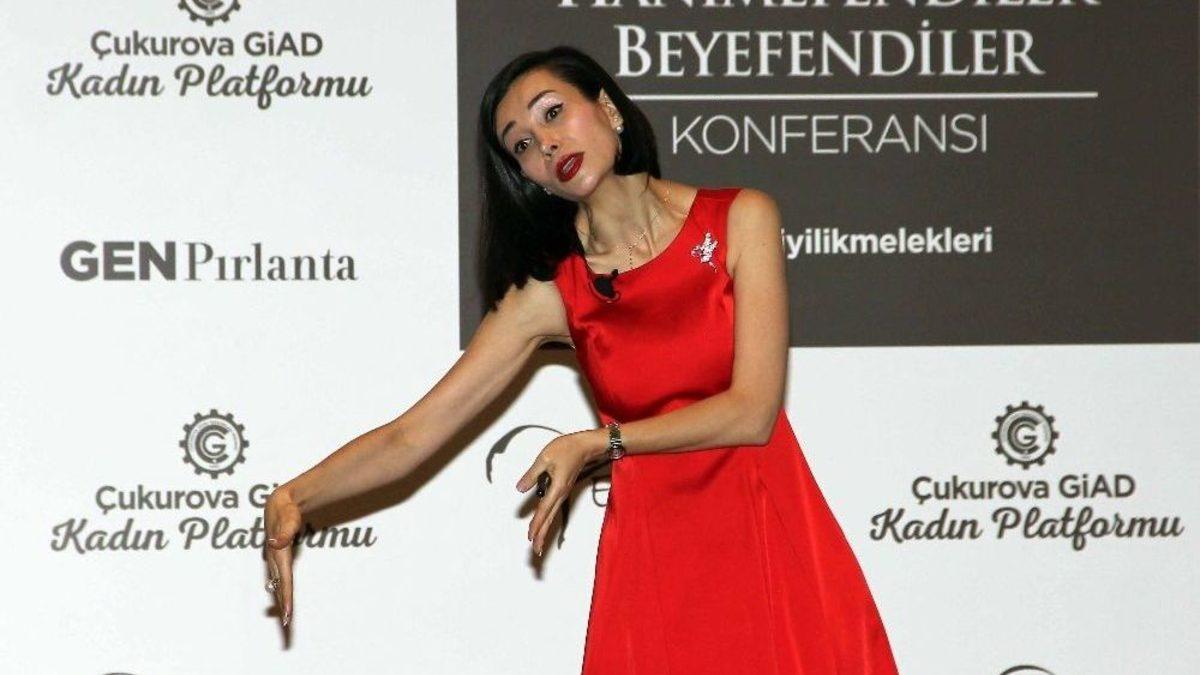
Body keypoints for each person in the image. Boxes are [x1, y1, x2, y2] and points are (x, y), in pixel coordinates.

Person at [262, 44, 900, 674]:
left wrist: (601, 442)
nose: (545, 144)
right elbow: (412, 436)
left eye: (552, 113)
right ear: (527, 176)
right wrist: (295, 496)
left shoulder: (740, 218)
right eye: (522, 144)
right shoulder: (552, 293)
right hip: (656, 561)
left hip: (770, 535)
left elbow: (752, 413)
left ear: (608, 108)